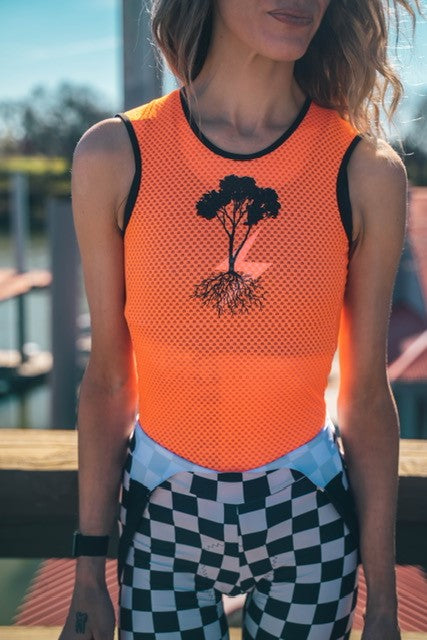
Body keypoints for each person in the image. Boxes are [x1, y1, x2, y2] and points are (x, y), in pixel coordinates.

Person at [59, 1, 423, 639]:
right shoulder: (116, 155)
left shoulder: (365, 171)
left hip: (308, 514)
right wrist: (89, 576)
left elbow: (366, 396)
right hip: (163, 517)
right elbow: (110, 380)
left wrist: (386, 609)